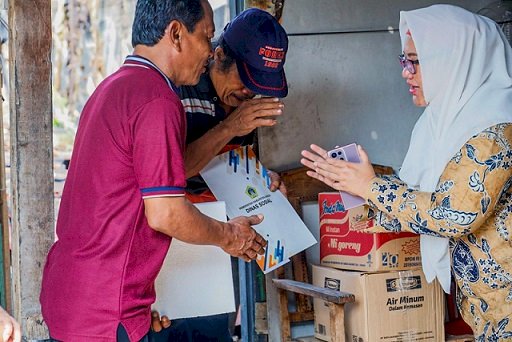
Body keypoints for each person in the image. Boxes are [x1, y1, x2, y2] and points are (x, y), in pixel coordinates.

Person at [40, 1, 268, 341]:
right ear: (176, 34)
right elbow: (166, 214)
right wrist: (231, 237)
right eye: (206, 38)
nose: (210, 53)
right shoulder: (158, 100)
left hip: (75, 298)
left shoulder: (112, 88)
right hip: (106, 311)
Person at [301, 4, 512, 340]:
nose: (405, 72)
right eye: (404, 60)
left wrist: (371, 186)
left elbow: (453, 214)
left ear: (454, 59)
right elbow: (415, 207)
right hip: (486, 312)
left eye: (415, 61)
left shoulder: (496, 127)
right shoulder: (440, 124)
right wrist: (351, 186)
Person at [150, 8, 289, 341]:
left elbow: (229, 163)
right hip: (173, 234)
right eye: (245, 79)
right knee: (168, 329)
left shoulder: (243, 103)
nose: (249, 93)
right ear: (219, 54)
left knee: (214, 331)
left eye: (258, 86)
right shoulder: (177, 87)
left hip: (220, 239)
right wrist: (232, 126)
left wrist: (261, 179)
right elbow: (172, 172)